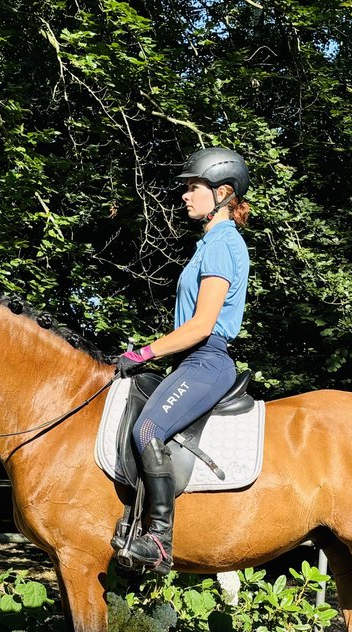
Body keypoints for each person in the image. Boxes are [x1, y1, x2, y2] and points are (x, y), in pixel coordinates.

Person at [114, 147, 252, 574]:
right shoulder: (209, 243)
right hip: (190, 363)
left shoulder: (222, 245)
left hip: (206, 361)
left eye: (194, 187)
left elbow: (201, 325)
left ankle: (158, 538)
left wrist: (145, 352)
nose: (185, 196)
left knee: (149, 427)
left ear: (223, 193)